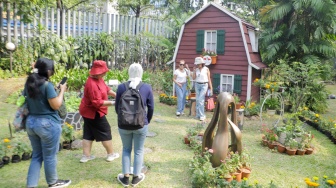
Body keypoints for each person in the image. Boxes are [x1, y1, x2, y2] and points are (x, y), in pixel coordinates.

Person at [25, 57, 71, 188]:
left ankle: (31, 185)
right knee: (49, 156)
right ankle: (53, 182)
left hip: (31, 123)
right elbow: (56, 105)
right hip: (47, 125)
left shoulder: (28, 83)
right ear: (49, 71)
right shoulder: (47, 85)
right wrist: (62, 90)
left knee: (37, 156)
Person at [116, 63, 154, 187]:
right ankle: (136, 177)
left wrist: (124, 119)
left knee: (126, 149)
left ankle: (125, 178)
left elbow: (117, 107)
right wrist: (146, 120)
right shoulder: (146, 87)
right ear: (141, 73)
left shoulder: (121, 87)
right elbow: (151, 107)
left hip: (124, 125)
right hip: (141, 124)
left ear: (129, 72)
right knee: (139, 150)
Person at [79, 60, 119, 163]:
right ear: (99, 72)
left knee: (88, 132)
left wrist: (118, 95)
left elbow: (106, 89)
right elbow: (97, 103)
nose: (105, 73)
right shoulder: (91, 83)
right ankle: (110, 154)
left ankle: (85, 156)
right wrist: (114, 103)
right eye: (104, 71)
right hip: (93, 112)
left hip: (88, 112)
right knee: (105, 130)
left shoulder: (99, 79)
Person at [192, 57, 213, 121]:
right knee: (198, 100)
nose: (198, 65)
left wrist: (211, 88)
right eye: (197, 64)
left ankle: (202, 115)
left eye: (199, 64)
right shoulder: (197, 70)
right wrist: (194, 71)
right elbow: (193, 78)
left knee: (201, 100)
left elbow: (209, 79)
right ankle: (198, 115)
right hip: (197, 84)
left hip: (204, 85)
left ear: (202, 63)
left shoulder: (206, 69)